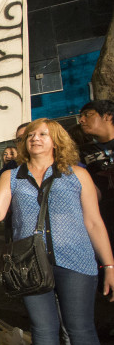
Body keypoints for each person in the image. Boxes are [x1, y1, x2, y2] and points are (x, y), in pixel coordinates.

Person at [0, 118, 114, 345]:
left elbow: (94, 222)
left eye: (43, 134)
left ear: (56, 141)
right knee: (44, 332)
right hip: (29, 264)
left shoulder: (77, 174)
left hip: (76, 261)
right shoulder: (11, 176)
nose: (35, 138)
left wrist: (109, 266)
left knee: (81, 330)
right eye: (31, 136)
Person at [78, 100, 114, 253]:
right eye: (81, 116)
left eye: (88, 115)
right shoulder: (81, 152)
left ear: (107, 116)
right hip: (102, 218)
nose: (82, 120)